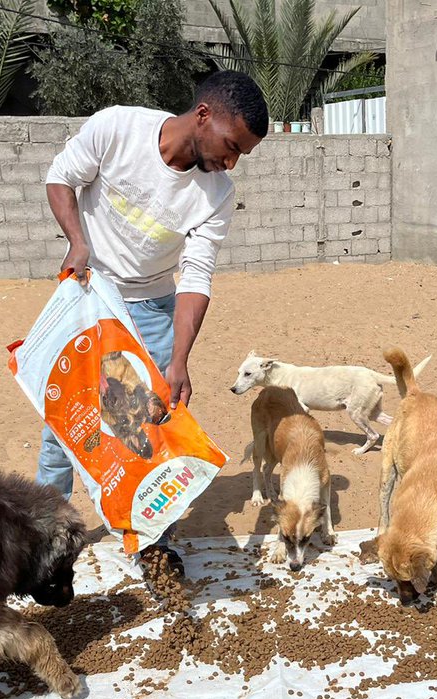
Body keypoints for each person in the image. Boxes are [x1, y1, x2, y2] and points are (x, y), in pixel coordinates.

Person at [35, 70, 268, 581]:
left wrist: (178, 359)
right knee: (65, 421)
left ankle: (153, 545)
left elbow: (197, 275)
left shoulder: (217, 194)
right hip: (88, 296)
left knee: (151, 425)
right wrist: (78, 241)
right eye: (231, 146)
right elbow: (60, 177)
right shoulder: (117, 128)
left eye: (240, 155)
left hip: (155, 305)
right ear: (203, 115)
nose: (231, 162)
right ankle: (44, 535)